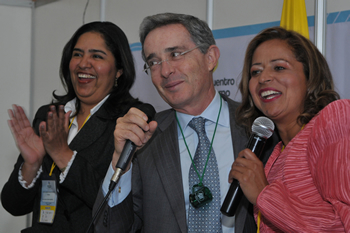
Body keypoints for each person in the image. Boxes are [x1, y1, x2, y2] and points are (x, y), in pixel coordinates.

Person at [93, 13, 277, 233]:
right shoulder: (144, 140)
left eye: (176, 54)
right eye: (153, 62)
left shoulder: (258, 128)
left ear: (210, 57)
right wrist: (119, 163)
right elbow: (111, 229)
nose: (165, 70)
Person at [1, 21, 143, 233]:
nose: (83, 63)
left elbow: (119, 206)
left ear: (119, 70)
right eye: (77, 54)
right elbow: (13, 205)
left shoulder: (130, 120)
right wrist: (31, 164)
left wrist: (63, 155)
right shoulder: (50, 115)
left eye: (97, 56)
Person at [231, 26, 350, 232]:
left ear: (309, 75)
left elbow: (344, 223)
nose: (264, 78)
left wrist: (264, 193)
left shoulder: (334, 119)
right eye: (255, 71)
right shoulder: (275, 155)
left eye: (279, 68)